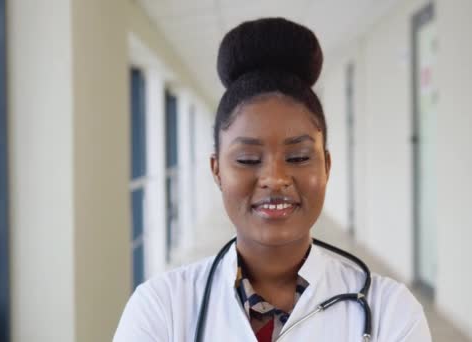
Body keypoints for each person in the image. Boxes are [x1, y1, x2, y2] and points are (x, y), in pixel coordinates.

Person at [114, 17, 431, 342]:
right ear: (217, 171)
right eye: (248, 159)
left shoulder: (391, 312)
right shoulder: (158, 309)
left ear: (326, 166)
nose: (275, 178)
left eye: (298, 157)